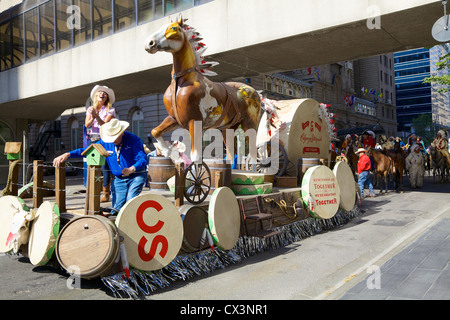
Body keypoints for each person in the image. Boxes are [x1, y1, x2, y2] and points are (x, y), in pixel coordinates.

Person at [53, 119, 148, 213]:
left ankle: (134, 223)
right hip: (119, 178)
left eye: (115, 137)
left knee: (130, 199)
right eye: (111, 137)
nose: (113, 140)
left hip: (136, 174)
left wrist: (132, 168)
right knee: (117, 209)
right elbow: (87, 150)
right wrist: (68, 154)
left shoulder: (133, 139)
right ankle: (119, 224)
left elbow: (143, 159)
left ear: (121, 132)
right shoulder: (104, 142)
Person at [85, 85, 117, 202]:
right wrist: (93, 116)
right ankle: (92, 190)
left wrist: (96, 116)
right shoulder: (90, 109)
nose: (102, 95)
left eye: (104, 94)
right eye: (100, 93)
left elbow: (104, 124)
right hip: (92, 139)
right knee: (93, 164)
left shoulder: (110, 110)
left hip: (104, 138)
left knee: (105, 166)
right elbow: (87, 125)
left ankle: (106, 193)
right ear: (96, 96)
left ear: (106, 98)